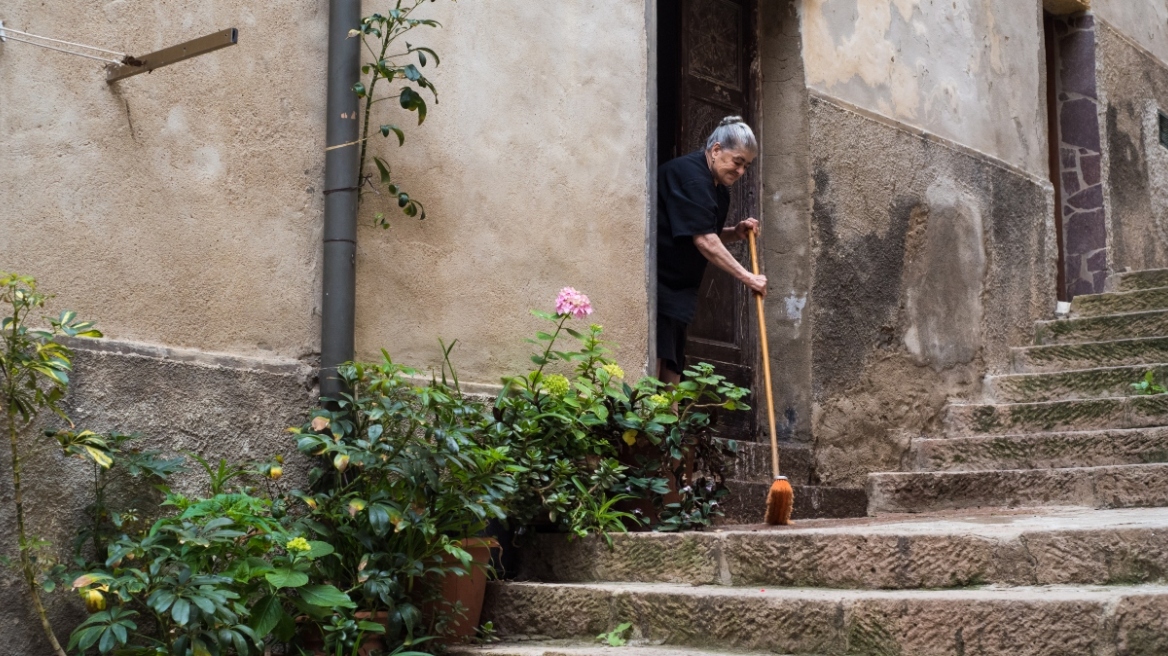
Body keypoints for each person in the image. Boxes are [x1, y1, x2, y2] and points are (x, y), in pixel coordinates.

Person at [656, 116, 766, 384]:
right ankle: (655, 421)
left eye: (746, 166)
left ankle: (671, 424)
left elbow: (702, 231)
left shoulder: (719, 189)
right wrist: (748, 277)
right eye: (737, 162)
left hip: (680, 288)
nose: (740, 171)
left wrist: (735, 233)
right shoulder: (692, 176)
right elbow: (704, 241)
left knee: (674, 362)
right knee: (659, 361)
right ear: (716, 150)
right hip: (659, 283)